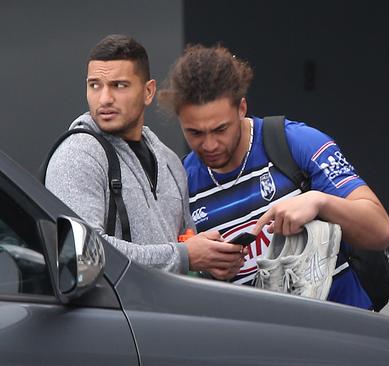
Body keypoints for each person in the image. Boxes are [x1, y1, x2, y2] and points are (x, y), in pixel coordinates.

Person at [158, 44, 389, 309]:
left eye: (220, 129)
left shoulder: (296, 142)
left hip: (347, 333)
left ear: (241, 108)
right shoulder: (180, 181)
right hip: (263, 345)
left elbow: (380, 230)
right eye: (195, 133)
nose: (210, 144)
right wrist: (205, 269)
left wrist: (320, 202)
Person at [45, 35, 245, 278]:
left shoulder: (170, 161)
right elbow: (80, 254)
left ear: (148, 92)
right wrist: (185, 255)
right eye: (95, 85)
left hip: (165, 314)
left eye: (119, 85)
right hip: (110, 315)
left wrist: (210, 260)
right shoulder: (77, 155)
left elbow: (184, 250)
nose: (105, 98)